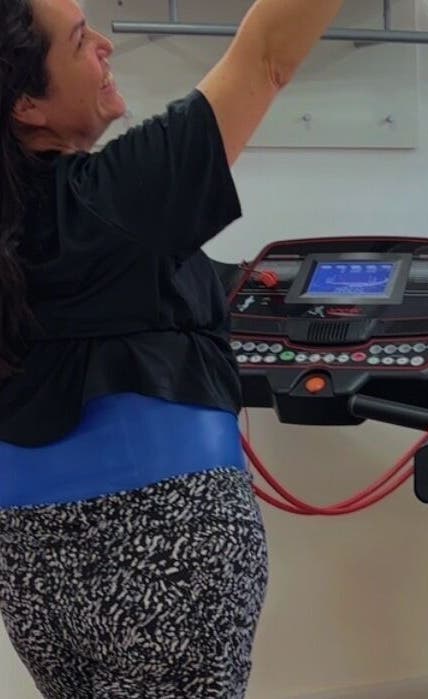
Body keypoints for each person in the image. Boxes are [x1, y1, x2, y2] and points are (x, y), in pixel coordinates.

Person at [0, 0, 345, 696]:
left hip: (30, 563)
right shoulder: (115, 199)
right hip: (164, 550)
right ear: (28, 103)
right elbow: (267, 56)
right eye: (79, 40)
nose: (106, 46)